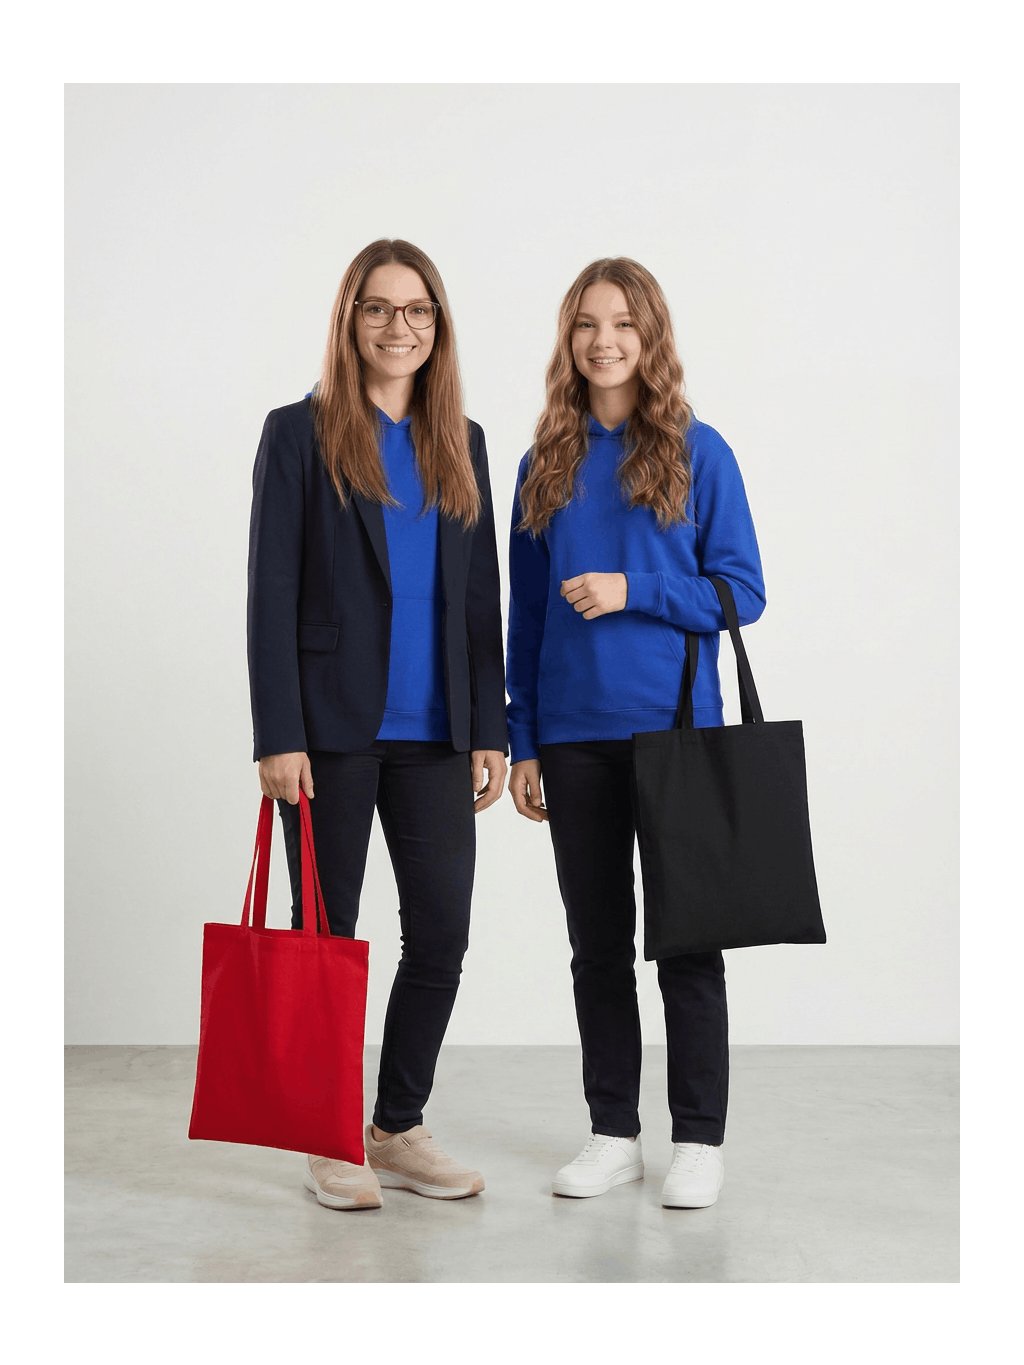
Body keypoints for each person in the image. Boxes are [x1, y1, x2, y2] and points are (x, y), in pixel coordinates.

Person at [247, 239, 508, 1210]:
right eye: (379, 308)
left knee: (441, 934)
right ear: (349, 319)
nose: (400, 326)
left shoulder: (462, 440)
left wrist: (491, 726)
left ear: (438, 326)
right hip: (328, 734)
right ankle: (326, 1137)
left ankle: (396, 1127)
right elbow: (270, 592)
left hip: (438, 733)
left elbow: (479, 597)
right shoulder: (298, 433)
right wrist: (277, 732)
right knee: (326, 940)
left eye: (418, 310)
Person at [506, 258, 766, 1208]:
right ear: (568, 338)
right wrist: (523, 738)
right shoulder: (544, 463)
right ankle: (613, 1132)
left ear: (651, 336)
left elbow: (742, 593)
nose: (604, 340)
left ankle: (698, 1138)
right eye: (587, 323)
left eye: (623, 323)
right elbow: (526, 616)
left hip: (677, 733)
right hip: (574, 740)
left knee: (689, 947)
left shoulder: (702, 451)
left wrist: (633, 590)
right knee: (598, 949)